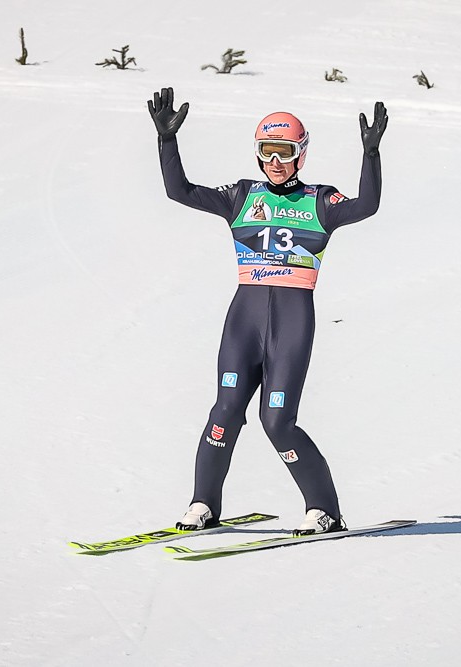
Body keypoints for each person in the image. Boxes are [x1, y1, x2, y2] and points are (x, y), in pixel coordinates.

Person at [147, 87, 387, 535]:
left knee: (276, 422)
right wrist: (167, 141)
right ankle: (203, 503)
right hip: (245, 320)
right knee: (224, 412)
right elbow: (179, 191)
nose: (275, 161)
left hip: (291, 324)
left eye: (285, 152)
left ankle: (324, 509)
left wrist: (370, 156)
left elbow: (366, 206)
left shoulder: (320, 200)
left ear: (301, 154)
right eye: (267, 151)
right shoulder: (241, 195)